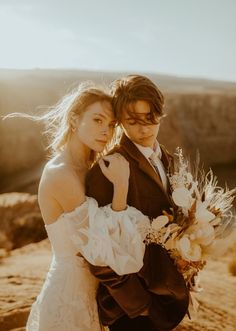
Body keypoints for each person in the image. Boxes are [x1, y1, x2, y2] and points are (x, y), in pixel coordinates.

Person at [16, 82, 148, 331]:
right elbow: (99, 248)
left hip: (92, 295)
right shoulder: (61, 174)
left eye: (110, 125)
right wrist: (121, 186)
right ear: (75, 120)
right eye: (98, 120)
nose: (106, 132)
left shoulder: (90, 167)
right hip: (69, 297)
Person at [86, 75, 190, 331]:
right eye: (133, 121)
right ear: (120, 121)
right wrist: (139, 305)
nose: (144, 128)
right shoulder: (107, 170)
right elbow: (98, 252)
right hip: (131, 313)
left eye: (150, 118)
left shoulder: (169, 159)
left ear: (160, 113)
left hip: (167, 298)